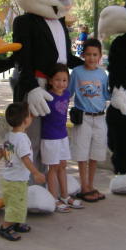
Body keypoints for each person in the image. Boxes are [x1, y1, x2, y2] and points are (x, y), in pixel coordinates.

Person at [0, 102, 45, 241]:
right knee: (15, 204)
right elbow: (25, 159)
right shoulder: (22, 139)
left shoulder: (9, 135)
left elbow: (2, 150)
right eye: (30, 115)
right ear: (25, 120)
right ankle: (5, 227)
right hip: (16, 180)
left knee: (18, 202)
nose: (31, 118)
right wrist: (36, 173)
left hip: (9, 178)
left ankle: (18, 222)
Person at [68, 38, 110, 202]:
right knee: (82, 154)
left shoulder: (102, 74)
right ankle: (84, 186)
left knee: (95, 155)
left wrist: (119, 93)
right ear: (83, 55)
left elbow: (106, 94)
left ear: (100, 56)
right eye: (88, 54)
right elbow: (69, 92)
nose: (91, 58)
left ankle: (91, 185)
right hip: (83, 118)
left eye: (95, 55)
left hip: (100, 118)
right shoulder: (77, 72)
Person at [40, 63, 84, 212]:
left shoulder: (66, 94)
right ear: (50, 81)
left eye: (64, 80)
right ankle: (53, 199)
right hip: (50, 137)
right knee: (52, 168)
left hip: (63, 136)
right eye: (57, 80)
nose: (61, 83)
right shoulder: (47, 97)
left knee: (63, 166)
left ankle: (64, 195)